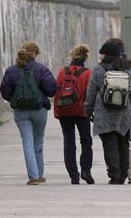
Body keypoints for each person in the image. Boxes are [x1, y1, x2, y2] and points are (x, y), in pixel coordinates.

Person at [0, 41, 57, 185]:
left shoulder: (11, 71)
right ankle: (39, 173)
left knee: (27, 142)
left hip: (21, 112)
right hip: (39, 110)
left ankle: (33, 176)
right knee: (38, 141)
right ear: (35, 53)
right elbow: (52, 90)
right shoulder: (42, 69)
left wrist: (17, 99)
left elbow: (4, 92)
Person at [84, 41, 131, 184]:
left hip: (104, 115)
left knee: (109, 146)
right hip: (124, 115)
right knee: (123, 145)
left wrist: (88, 110)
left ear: (106, 54)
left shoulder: (98, 69)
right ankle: (122, 175)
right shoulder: (127, 69)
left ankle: (114, 174)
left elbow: (90, 93)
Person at [54, 44, 94, 184]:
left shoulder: (62, 71)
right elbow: (90, 94)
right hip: (81, 111)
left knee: (69, 142)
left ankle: (73, 175)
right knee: (86, 141)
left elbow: (56, 91)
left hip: (64, 111)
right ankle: (85, 170)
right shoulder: (87, 73)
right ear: (86, 57)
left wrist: (57, 111)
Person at [107, 38, 131, 183]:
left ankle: (125, 174)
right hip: (126, 109)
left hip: (113, 109)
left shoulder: (107, 67)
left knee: (122, 143)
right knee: (129, 142)